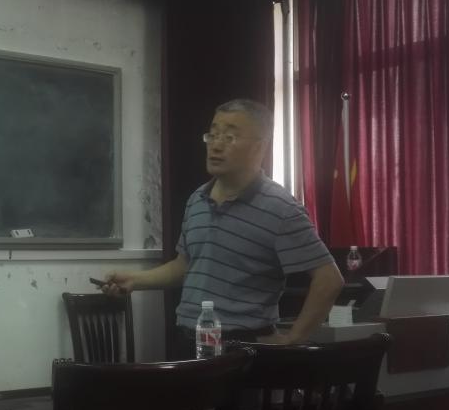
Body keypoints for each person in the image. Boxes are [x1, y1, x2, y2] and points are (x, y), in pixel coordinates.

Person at [102, 99, 342, 351]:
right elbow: (185, 266)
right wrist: (134, 280)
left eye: (229, 137)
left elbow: (329, 279)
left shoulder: (281, 208)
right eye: (213, 135)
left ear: (259, 146)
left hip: (244, 348)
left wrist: (294, 338)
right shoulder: (197, 199)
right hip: (189, 342)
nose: (216, 145)